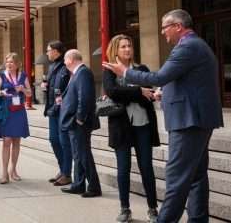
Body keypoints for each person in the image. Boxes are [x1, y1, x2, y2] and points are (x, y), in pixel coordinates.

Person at [103, 9, 224, 222]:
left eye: (164, 27)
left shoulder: (186, 47)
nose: (162, 32)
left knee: (176, 178)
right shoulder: (194, 45)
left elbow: (159, 77)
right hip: (196, 119)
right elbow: (187, 83)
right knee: (196, 176)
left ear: (178, 26)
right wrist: (164, 93)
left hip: (189, 121)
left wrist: (126, 73)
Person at [103, 35, 160, 222]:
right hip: (121, 126)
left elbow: (149, 93)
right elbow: (112, 92)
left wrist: (135, 93)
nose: (127, 49)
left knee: (146, 168)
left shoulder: (141, 69)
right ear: (115, 50)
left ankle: (153, 208)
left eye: (129, 45)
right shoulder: (110, 70)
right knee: (123, 168)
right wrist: (137, 91)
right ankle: (125, 208)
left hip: (143, 124)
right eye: (123, 47)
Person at [60, 49, 101, 198]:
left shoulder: (83, 72)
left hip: (79, 122)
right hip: (74, 122)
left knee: (84, 154)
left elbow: (85, 97)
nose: (64, 63)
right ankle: (78, 184)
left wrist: (80, 118)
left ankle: (94, 187)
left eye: (65, 60)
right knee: (78, 154)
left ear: (70, 59)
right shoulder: (77, 73)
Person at [0, 53, 31, 184]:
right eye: (7, 62)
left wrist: (23, 89)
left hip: (19, 111)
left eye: (12, 62)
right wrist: (1, 92)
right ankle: (4, 173)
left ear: (17, 64)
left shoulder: (23, 76)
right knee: (7, 141)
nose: (9, 64)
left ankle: (13, 170)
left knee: (16, 141)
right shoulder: (2, 76)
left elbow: (29, 93)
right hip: (6, 111)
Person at [41, 40, 72, 186]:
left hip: (62, 110)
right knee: (54, 139)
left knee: (63, 141)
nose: (47, 53)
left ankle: (67, 173)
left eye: (49, 50)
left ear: (56, 51)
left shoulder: (66, 66)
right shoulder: (52, 66)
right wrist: (45, 86)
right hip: (53, 109)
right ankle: (62, 169)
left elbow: (67, 89)